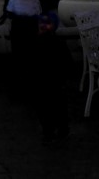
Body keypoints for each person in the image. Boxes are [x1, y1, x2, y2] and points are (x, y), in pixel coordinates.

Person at [32, 11, 72, 143]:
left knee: (47, 106)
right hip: (53, 81)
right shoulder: (57, 42)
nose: (43, 25)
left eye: (46, 23)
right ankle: (58, 129)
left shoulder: (40, 43)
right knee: (55, 105)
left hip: (48, 81)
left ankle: (51, 129)